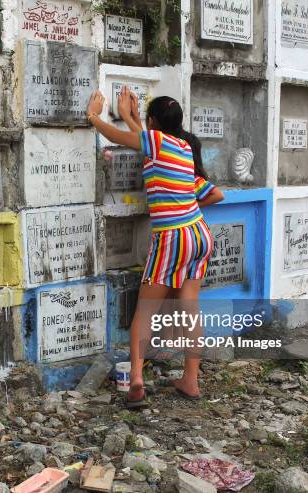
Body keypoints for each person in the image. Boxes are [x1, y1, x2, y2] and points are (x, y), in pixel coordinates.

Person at [86, 87, 225, 407]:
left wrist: (94, 116)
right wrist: (133, 117)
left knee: (145, 311)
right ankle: (190, 380)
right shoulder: (182, 146)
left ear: (154, 122)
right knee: (190, 310)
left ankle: (136, 379)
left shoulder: (157, 142)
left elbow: (123, 138)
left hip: (173, 237)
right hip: (199, 234)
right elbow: (144, 139)